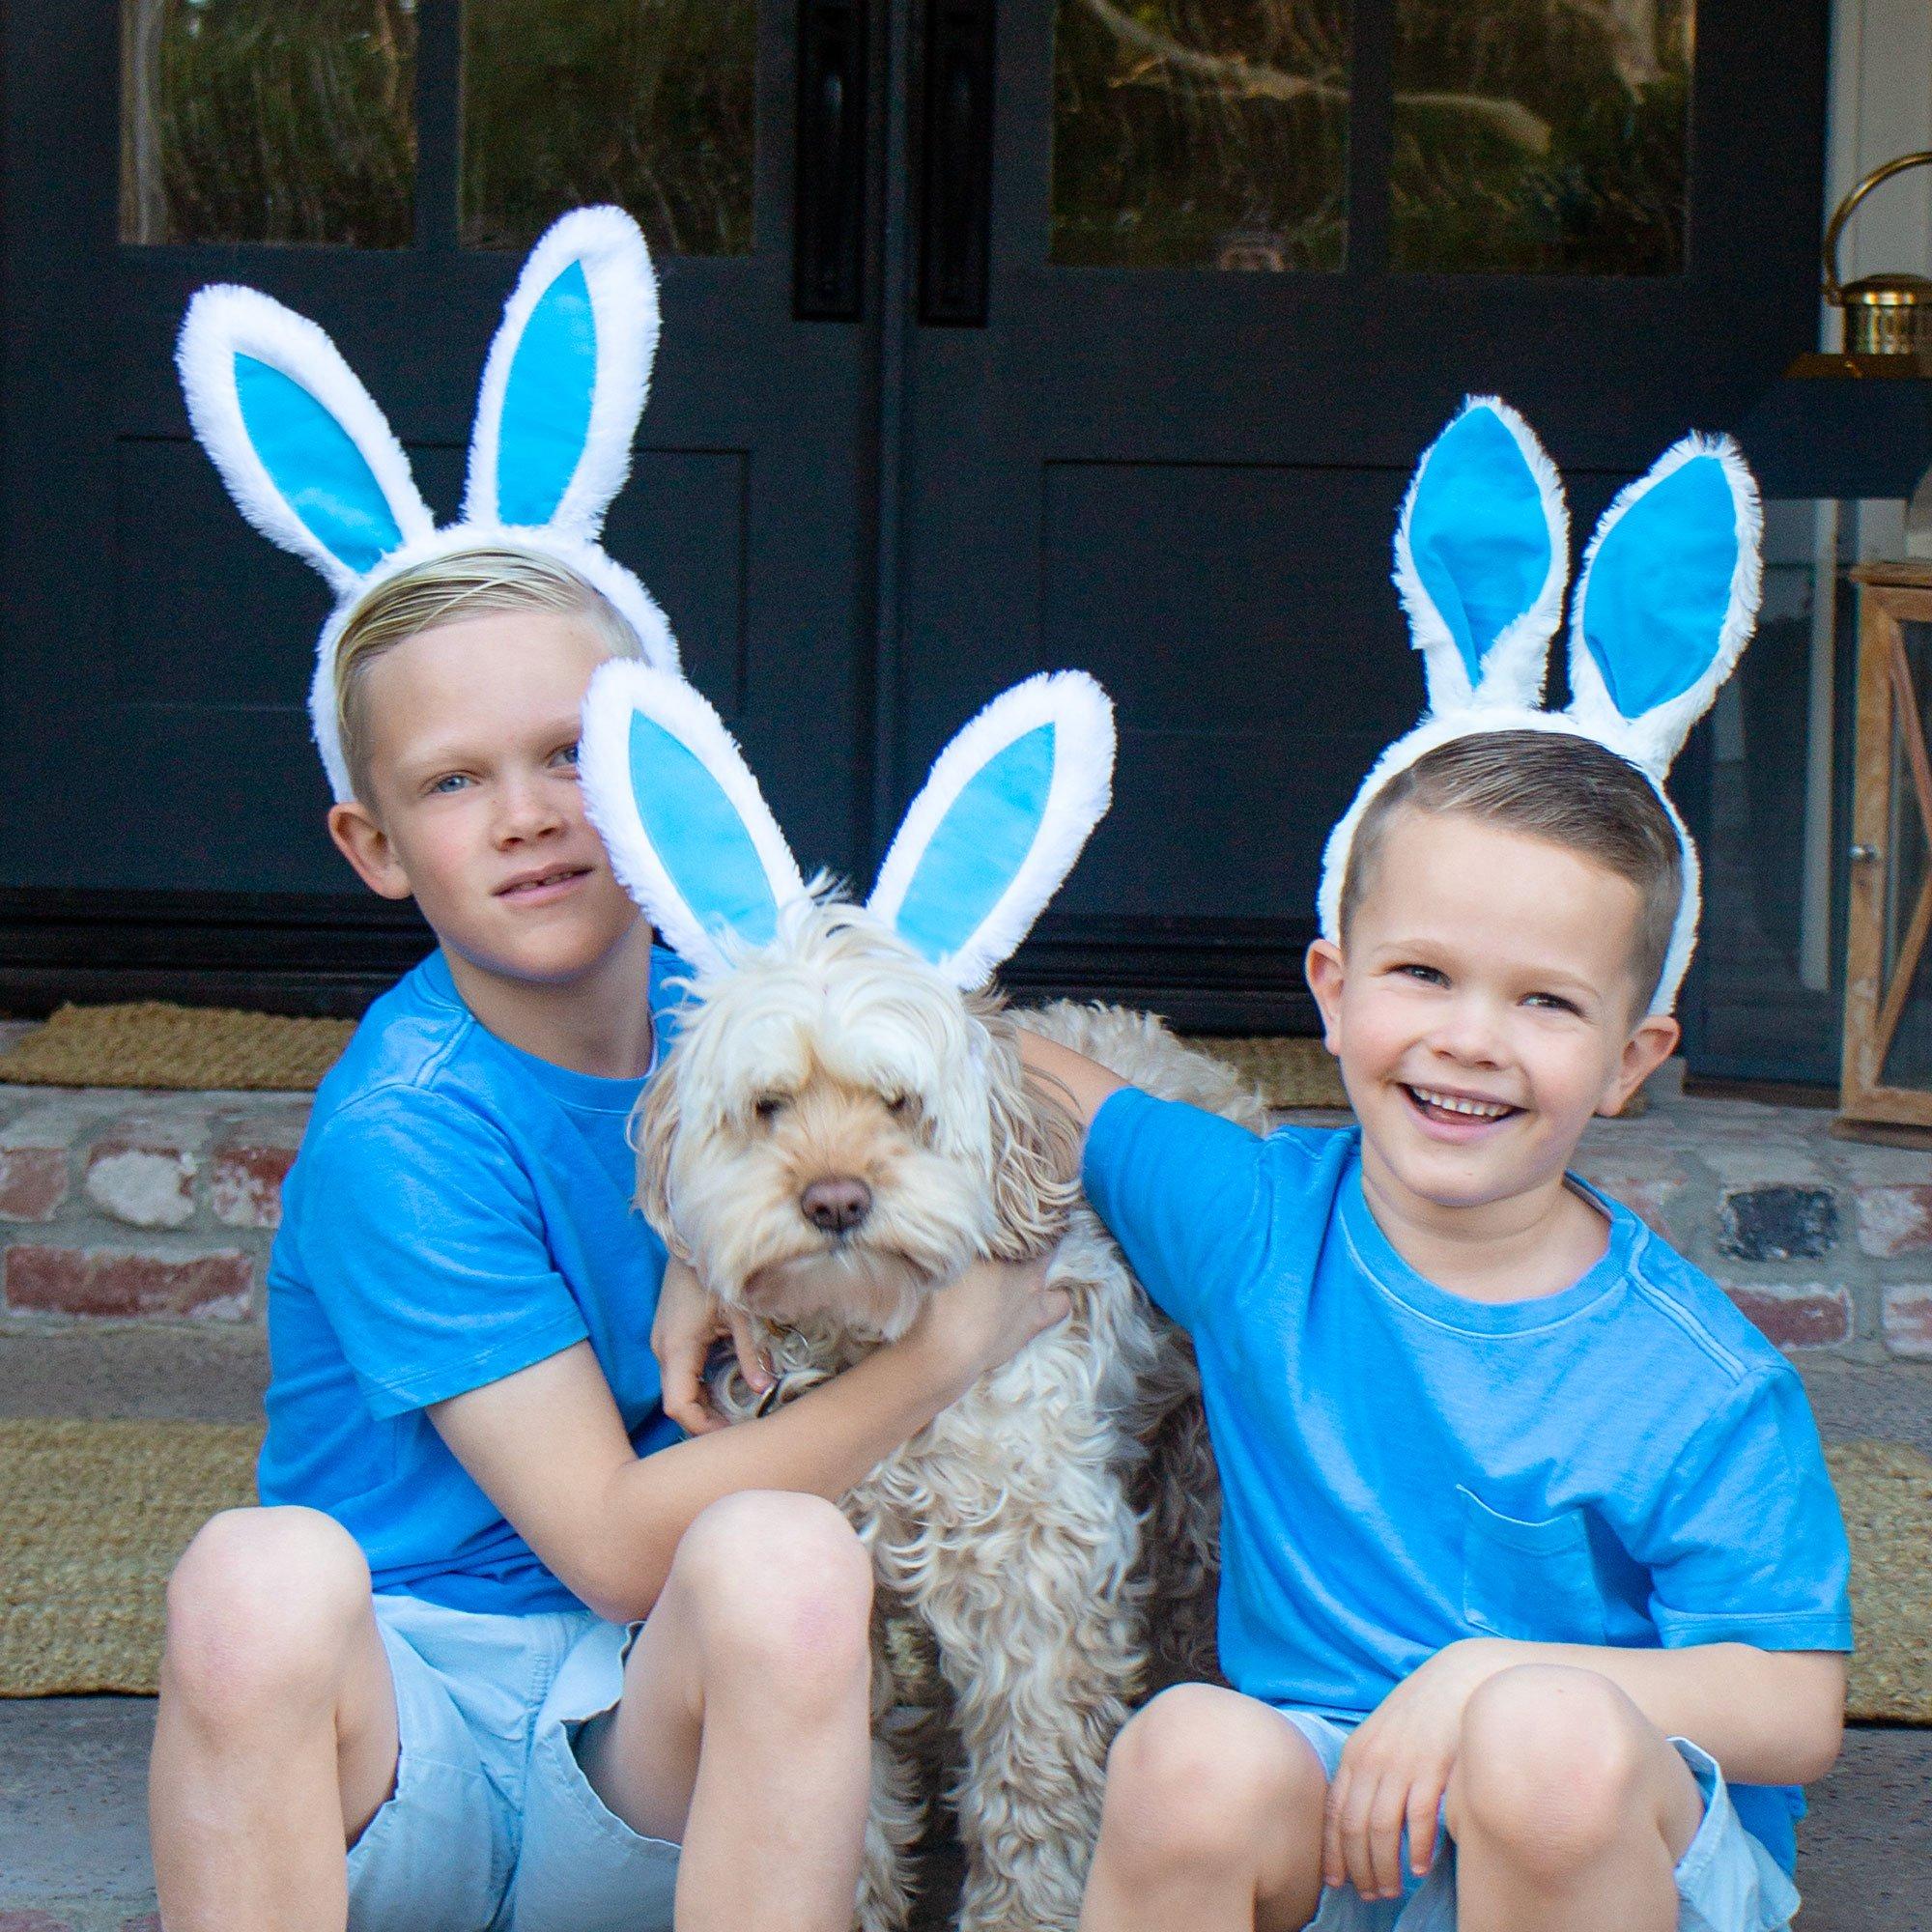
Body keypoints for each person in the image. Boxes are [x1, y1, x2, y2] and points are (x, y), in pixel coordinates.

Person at [152, 213, 1064, 1932]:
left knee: (794, 1563)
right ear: (372, 844)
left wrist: (699, 1243)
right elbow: (613, 1541)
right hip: (394, 1761)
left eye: (575, 752)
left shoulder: (748, 1015)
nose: (529, 816)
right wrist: (943, 1349)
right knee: (253, 1577)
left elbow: (1023, 1093)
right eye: (453, 783)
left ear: (662, 765)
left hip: (639, 1769)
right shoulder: (405, 1130)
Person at [1033, 402, 1854, 1932]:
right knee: (1188, 1747)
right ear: (1332, 993)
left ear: (1630, 1061)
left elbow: (1796, 1704)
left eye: (1545, 1001)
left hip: (1592, 1844)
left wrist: (1490, 1679)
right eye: (1424, 975)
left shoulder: (1694, 1376)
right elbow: (1025, 1068)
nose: (1473, 1041)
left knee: (1537, 1746)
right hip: (1338, 1817)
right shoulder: (1261, 1222)